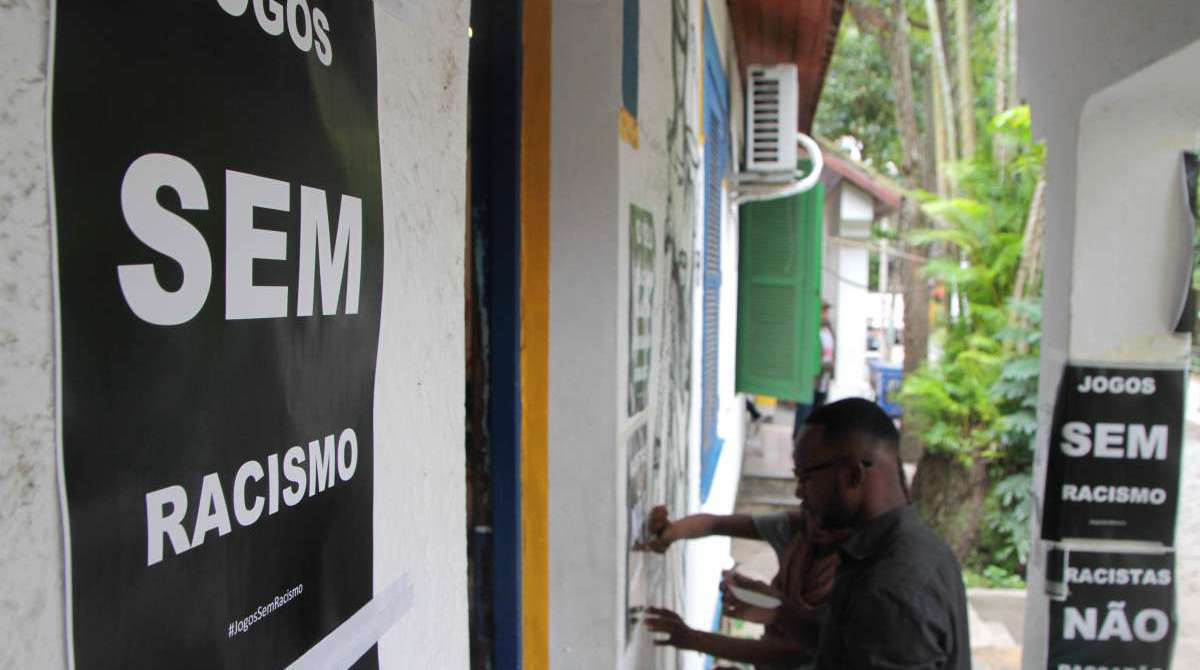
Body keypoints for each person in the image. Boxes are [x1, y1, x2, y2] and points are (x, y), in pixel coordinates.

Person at [796, 398, 970, 669]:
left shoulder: (892, 588)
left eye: (805, 477)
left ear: (852, 475)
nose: (799, 492)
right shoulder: (915, 544)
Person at [639, 467, 847, 668]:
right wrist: (673, 532)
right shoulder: (801, 529)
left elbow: (795, 652)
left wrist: (695, 639)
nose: (799, 492)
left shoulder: (857, 585)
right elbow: (716, 524)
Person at [793, 303, 835, 443]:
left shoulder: (829, 330)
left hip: (823, 379)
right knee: (804, 413)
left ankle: (811, 442)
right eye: (823, 311)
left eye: (826, 311)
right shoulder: (810, 330)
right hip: (810, 379)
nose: (825, 314)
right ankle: (799, 441)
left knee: (818, 414)